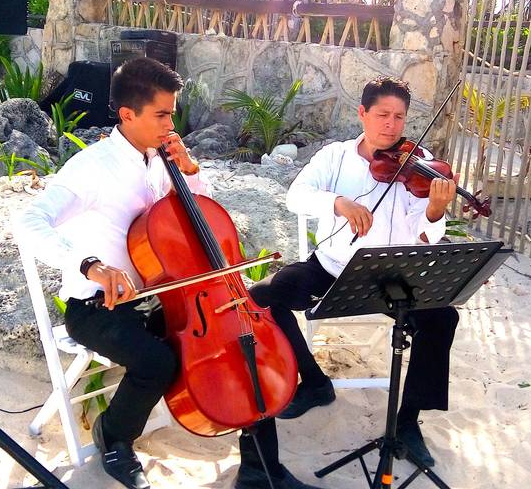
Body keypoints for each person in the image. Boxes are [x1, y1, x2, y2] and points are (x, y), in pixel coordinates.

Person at [16, 58, 318, 489]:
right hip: (99, 307)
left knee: (240, 338)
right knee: (158, 361)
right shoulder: (91, 169)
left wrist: (191, 173)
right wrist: (90, 265)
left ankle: (259, 470)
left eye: (172, 113)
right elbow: (28, 222)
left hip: (165, 296)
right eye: (161, 114)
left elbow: (202, 218)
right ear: (127, 115)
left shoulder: (163, 158)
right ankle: (114, 437)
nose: (170, 124)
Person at [249, 76, 460, 468]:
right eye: (382, 115)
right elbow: (296, 194)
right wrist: (339, 203)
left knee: (443, 318)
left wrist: (434, 211)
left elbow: (427, 230)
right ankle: (313, 382)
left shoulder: (420, 163)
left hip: (393, 275)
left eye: (399, 117)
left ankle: (408, 422)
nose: (391, 126)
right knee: (261, 297)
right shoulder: (335, 156)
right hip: (332, 267)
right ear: (362, 113)